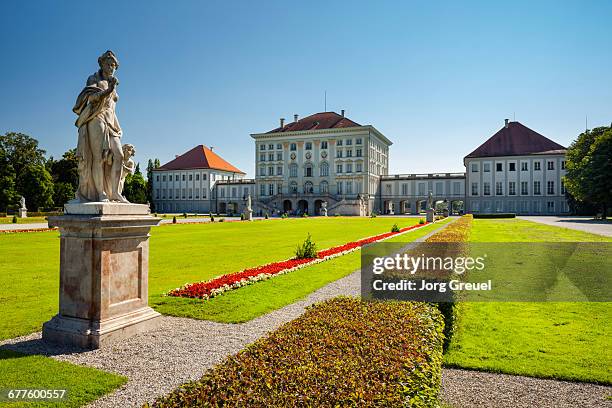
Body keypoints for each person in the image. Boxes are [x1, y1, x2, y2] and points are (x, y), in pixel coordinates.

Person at [72, 50, 125, 202]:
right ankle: (101, 193)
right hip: (96, 118)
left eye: (113, 65)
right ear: (101, 64)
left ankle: (114, 192)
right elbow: (92, 98)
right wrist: (108, 90)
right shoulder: (93, 79)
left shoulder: (113, 83)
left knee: (119, 155)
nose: (111, 67)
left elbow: (112, 107)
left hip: (111, 121)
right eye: (108, 64)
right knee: (98, 157)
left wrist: (117, 126)